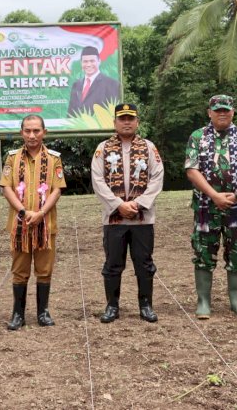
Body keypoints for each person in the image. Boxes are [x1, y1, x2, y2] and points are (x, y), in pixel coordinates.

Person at [185, 95, 237, 319]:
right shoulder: (197, 137)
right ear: (209, 112)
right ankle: (204, 302)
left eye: (226, 110)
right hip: (206, 207)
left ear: (233, 112)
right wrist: (214, 195)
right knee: (203, 252)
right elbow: (191, 169)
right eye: (217, 110)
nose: (222, 113)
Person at [91, 104, 163, 323]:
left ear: (137, 122)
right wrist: (118, 205)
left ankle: (146, 305)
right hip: (114, 219)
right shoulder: (103, 148)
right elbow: (98, 179)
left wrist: (139, 204)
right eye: (122, 119)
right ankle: (112, 306)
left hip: (143, 219)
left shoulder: (149, 147)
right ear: (114, 123)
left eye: (130, 118)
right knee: (113, 264)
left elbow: (157, 177)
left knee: (144, 263)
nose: (126, 122)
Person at [0, 115, 66, 330]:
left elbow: (57, 189)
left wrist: (41, 213)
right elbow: (6, 187)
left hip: (46, 224)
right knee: (19, 270)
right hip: (20, 224)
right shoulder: (12, 158)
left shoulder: (54, 159)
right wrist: (23, 210)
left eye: (36, 131)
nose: (32, 135)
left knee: (44, 269)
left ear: (44, 132)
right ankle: (18, 314)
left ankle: (42, 312)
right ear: (21, 133)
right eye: (27, 131)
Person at [67, 46, 121, 117]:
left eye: (92, 61)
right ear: (81, 63)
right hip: (77, 127)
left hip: (101, 127)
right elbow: (71, 113)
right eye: (85, 61)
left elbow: (115, 111)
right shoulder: (76, 85)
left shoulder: (112, 84)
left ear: (99, 61)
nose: (88, 65)